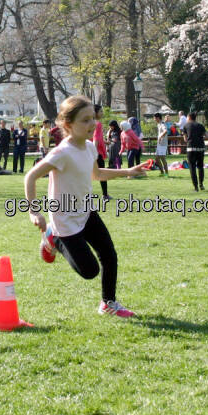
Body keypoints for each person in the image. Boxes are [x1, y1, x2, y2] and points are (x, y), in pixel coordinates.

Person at [24, 95, 143, 318]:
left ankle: (108, 303)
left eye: (93, 119)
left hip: (87, 212)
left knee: (109, 254)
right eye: (85, 120)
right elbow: (30, 177)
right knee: (90, 271)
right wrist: (34, 211)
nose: (92, 124)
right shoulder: (61, 153)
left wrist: (128, 171)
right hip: (65, 221)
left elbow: (96, 174)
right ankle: (52, 237)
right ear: (68, 125)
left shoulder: (89, 147)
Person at [182, 111, 207, 192]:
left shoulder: (185, 126)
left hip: (191, 148)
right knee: (200, 167)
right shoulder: (200, 125)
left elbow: (185, 139)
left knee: (192, 167)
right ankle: (201, 184)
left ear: (189, 117)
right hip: (200, 148)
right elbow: (207, 136)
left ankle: (196, 187)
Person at [92, 104, 110, 197]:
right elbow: (95, 138)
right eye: (101, 111)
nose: (102, 113)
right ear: (95, 113)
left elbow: (97, 138)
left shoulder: (88, 123)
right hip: (96, 153)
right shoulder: (97, 124)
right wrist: (94, 154)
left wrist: (105, 142)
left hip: (88, 151)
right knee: (102, 173)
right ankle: (105, 194)